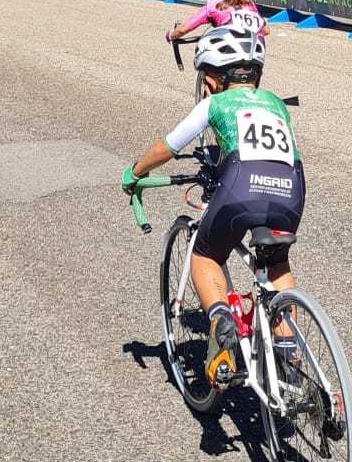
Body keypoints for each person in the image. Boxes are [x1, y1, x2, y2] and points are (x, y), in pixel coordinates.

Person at [124, 24, 303, 390]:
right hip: (291, 186)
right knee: (276, 261)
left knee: (206, 253)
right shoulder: (275, 103)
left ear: (213, 79)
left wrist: (135, 171)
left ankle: (221, 319)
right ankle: (288, 351)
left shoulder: (214, 102)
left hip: (241, 183)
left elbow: (168, 147)